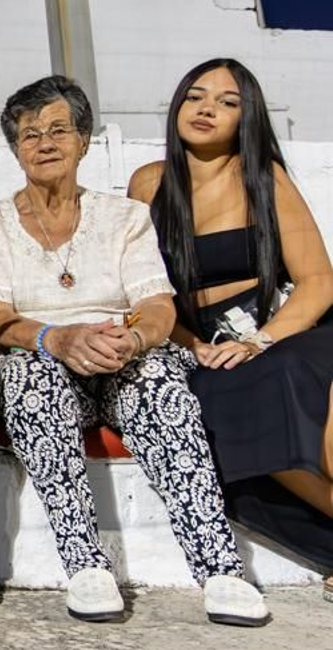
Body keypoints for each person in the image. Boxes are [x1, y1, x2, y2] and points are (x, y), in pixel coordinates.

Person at [0, 74, 269, 626]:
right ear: (15, 149)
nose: (45, 143)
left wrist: (130, 339)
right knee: (31, 381)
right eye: (29, 134)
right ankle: (86, 565)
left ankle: (221, 568)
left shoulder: (125, 218)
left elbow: (158, 307)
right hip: (38, 357)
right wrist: (56, 339)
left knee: (160, 386)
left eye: (59, 129)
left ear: (84, 140)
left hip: (119, 355)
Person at [129, 58, 333, 601]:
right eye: (196, 96)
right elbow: (138, 290)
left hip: (281, 330)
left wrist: (258, 341)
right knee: (211, 411)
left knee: (284, 374)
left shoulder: (263, 175)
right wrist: (193, 345)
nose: (206, 109)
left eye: (227, 101)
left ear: (247, 118)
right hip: (201, 347)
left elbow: (317, 281)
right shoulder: (148, 184)